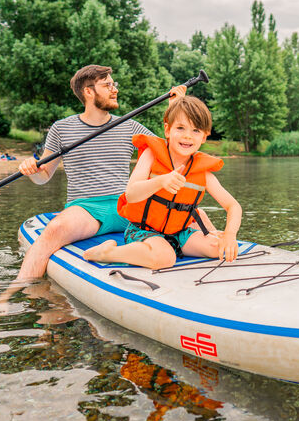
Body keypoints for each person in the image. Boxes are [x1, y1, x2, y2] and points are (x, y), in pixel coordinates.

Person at [15, 64, 191, 280]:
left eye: (113, 84)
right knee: (54, 229)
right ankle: (14, 292)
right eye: (107, 85)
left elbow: (172, 154)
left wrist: (174, 109)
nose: (114, 89)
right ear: (88, 91)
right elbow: (43, 176)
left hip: (128, 207)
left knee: (191, 216)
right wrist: (31, 169)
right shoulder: (61, 128)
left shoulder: (130, 127)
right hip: (86, 209)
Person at [83, 95, 241, 269]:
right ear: (167, 130)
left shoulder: (202, 171)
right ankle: (106, 253)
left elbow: (233, 206)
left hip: (178, 232)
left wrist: (230, 235)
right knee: (166, 258)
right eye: (181, 128)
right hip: (143, 230)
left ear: (204, 137)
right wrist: (161, 182)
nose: (188, 136)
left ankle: (168, 247)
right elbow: (131, 194)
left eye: (196, 131)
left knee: (217, 248)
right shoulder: (151, 155)